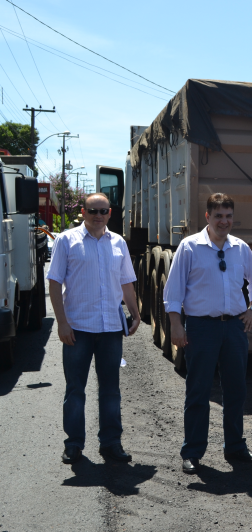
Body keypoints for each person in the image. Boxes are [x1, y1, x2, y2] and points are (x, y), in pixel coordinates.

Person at [165, 193, 252, 474]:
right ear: (207, 217)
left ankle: (235, 447)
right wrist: (176, 324)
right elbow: (173, 290)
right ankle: (192, 451)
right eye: (219, 216)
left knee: (236, 389)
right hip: (201, 327)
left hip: (234, 326)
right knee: (198, 390)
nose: (224, 221)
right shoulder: (189, 247)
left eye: (229, 216)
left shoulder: (240, 248)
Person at [48, 192, 141, 464]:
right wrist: (62, 323)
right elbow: (54, 283)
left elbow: (126, 282)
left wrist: (135, 314)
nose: (98, 216)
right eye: (92, 211)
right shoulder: (67, 241)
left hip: (111, 328)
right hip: (77, 329)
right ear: (83, 213)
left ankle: (111, 443)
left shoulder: (118, 243)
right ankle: (74, 444)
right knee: (75, 390)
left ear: (110, 213)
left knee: (111, 390)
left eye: (103, 211)